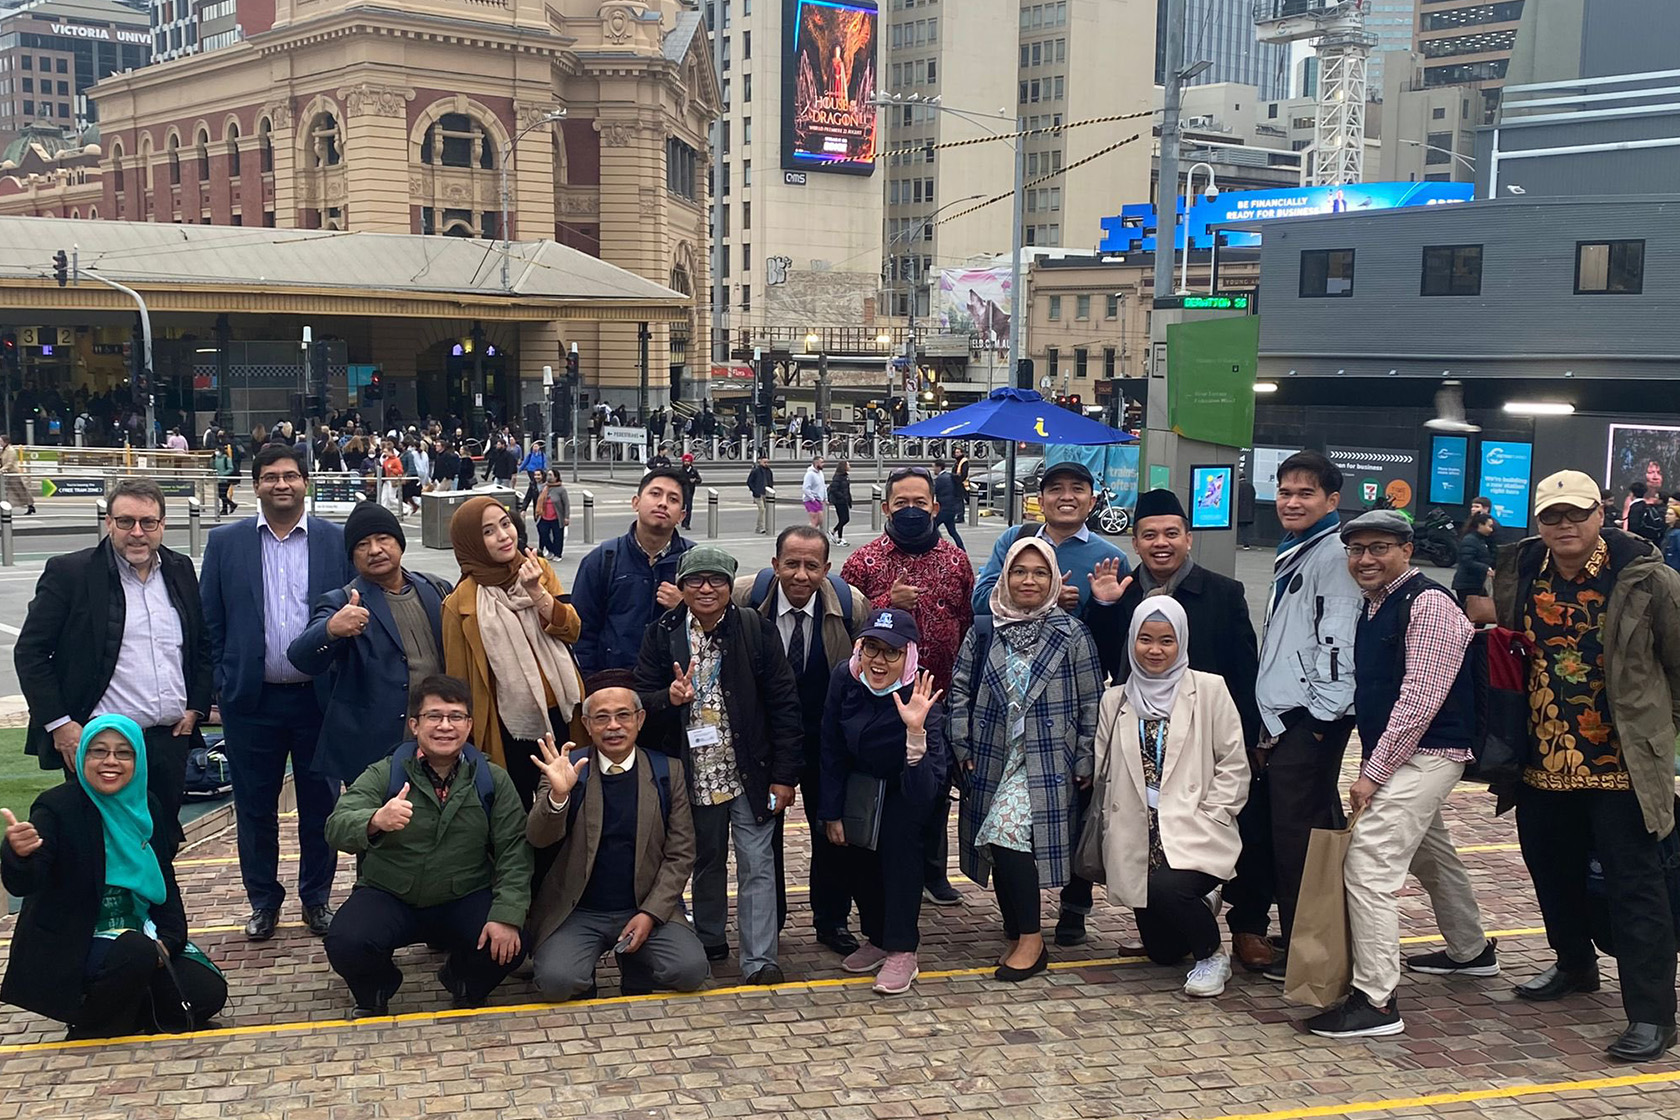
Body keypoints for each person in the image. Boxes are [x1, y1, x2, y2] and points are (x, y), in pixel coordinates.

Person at [1492, 469, 1680, 1063]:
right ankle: (1574, 966)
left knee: (1635, 884)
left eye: (1575, 513)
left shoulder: (1649, 579)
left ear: (1601, 513)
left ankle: (1653, 1014)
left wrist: (1662, 736)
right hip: (1542, 754)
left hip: (1621, 760)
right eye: (1552, 516)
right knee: (1551, 868)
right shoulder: (1521, 571)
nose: (1564, 525)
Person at [1305, 511, 1495, 1039]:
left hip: (1429, 753)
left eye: (1380, 547)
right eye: (1356, 548)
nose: (1366, 558)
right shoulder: (1379, 604)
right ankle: (1471, 950)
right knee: (1433, 855)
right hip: (1411, 752)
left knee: (1369, 864)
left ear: (1407, 550)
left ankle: (1376, 999)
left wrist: (1373, 772)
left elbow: (1422, 699)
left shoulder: (1428, 604)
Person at [1086, 488, 1269, 968]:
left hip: (1205, 742)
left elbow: (1244, 671)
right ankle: (1173, 925)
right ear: (1135, 540)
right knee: (1146, 849)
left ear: (1188, 538)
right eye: (1149, 535)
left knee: (1238, 837)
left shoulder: (1224, 592)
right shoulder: (1121, 594)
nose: (1160, 543)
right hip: (1143, 742)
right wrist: (1103, 609)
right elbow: (1108, 663)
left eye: (1171, 533)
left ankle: (1246, 928)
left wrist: (1251, 740)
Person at [632, 547, 803, 984]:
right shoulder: (662, 633)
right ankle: (710, 937)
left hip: (749, 768)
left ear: (730, 585)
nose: (705, 589)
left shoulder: (753, 630)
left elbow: (784, 704)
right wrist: (667, 700)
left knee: (757, 862)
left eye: (716, 580)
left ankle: (760, 960)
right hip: (694, 771)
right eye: (694, 580)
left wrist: (785, 776)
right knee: (706, 859)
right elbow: (640, 701)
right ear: (681, 586)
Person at [200, 444, 349, 941]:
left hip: (318, 699)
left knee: (320, 807)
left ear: (306, 482)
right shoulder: (225, 543)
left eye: (290, 476)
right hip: (252, 701)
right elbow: (211, 621)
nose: (280, 484)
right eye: (270, 477)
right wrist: (223, 682)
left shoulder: (335, 540)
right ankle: (263, 901)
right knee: (255, 808)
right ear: (255, 485)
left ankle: (317, 899)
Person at [0, 716, 228, 1039]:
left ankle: (129, 1007)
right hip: (76, 939)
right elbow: (27, 882)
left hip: (139, 928)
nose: (111, 762)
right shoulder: (57, 807)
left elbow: (164, 877)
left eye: (123, 753)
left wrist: (170, 938)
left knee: (205, 992)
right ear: (82, 758)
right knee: (135, 951)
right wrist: (18, 854)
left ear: (138, 759)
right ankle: (89, 1022)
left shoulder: (146, 806)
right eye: (98, 751)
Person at [322, 675, 531, 1017]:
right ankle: (377, 988)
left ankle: (463, 980)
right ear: (415, 725)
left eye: (455, 716)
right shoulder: (385, 772)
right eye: (434, 716)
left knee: (512, 941)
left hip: (464, 893)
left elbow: (514, 852)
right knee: (347, 942)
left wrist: (507, 916)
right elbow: (336, 826)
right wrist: (375, 820)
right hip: (391, 893)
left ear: (469, 725)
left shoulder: (492, 779)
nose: (445, 726)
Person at [15, 478, 212, 839]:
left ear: (162, 525)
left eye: (148, 522)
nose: (137, 532)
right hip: (103, 746)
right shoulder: (70, 574)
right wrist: (60, 725)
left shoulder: (179, 568)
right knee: (98, 856)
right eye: (125, 521)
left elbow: (200, 646)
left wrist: (195, 707)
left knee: (161, 847)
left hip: (167, 741)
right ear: (109, 523)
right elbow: (31, 653)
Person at [949, 537, 1103, 982]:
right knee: (998, 842)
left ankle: (1033, 942)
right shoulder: (984, 630)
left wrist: (1084, 758)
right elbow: (959, 691)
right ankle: (1017, 930)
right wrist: (963, 745)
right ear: (1005, 577)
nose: (1029, 580)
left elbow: (1091, 701)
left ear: (1053, 578)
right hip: (995, 754)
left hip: (1047, 759)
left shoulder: (1071, 633)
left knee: (1005, 832)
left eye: (1039, 572)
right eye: (1019, 571)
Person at [1093, 597, 1249, 998]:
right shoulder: (1117, 699)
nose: (1155, 650)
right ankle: (1196, 910)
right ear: (1132, 641)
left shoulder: (1209, 690)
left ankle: (1213, 956)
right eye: (1145, 639)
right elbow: (1103, 771)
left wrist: (1215, 815)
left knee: (1168, 889)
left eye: (1166, 640)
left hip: (1194, 824)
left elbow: (1233, 763)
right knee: (1163, 953)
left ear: (1182, 642)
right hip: (1138, 828)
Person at [524, 674, 708, 1000]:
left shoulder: (668, 771)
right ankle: (582, 968)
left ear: (639, 720)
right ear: (587, 724)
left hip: (645, 904)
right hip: (578, 909)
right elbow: (538, 838)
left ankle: (636, 959)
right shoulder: (566, 769)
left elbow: (681, 854)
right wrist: (558, 795)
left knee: (689, 971)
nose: (613, 726)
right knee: (558, 982)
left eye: (623, 715)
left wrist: (651, 914)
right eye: (602, 717)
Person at [733, 526, 871, 953]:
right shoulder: (744, 600)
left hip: (824, 741)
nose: (801, 574)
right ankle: (767, 924)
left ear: (827, 569)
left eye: (812, 566)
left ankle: (831, 921)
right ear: (774, 565)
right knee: (764, 834)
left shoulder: (851, 606)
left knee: (830, 830)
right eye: (791, 563)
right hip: (764, 743)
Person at [842, 467, 975, 906]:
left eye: (921, 502)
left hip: (937, 695)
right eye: (902, 503)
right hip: (877, 697)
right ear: (886, 508)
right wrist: (884, 603)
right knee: (882, 784)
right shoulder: (864, 561)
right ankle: (879, 868)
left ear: (936, 507)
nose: (912, 510)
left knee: (934, 787)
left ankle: (933, 871)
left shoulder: (956, 561)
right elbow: (840, 620)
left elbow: (968, 622)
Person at [1253, 450, 1361, 982]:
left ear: (1332, 501)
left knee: (1304, 836)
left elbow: (1338, 644)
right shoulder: (1298, 548)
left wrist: (1318, 719)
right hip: (1290, 717)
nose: (1292, 502)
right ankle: (1306, 934)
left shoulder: (1332, 554)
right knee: (1299, 831)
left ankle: (1312, 948)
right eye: (1285, 492)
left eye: (1306, 493)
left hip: (1311, 719)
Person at [820, 609, 948, 994]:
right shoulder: (845, 677)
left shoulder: (923, 695)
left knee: (899, 862)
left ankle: (902, 949)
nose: (878, 661)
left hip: (907, 788)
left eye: (891, 652)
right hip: (861, 784)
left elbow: (929, 786)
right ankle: (876, 937)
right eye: (871, 648)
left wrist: (915, 732)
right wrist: (832, 809)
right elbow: (830, 744)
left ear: (907, 656)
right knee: (858, 859)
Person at [287, 502, 451, 786]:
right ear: (352, 556)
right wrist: (331, 629)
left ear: (399, 544)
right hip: (374, 753)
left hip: (441, 738)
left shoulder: (437, 588)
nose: (375, 550)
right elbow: (301, 656)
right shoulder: (341, 601)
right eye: (362, 544)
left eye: (383, 539)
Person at [442, 496, 585, 808]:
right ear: (471, 543)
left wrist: (536, 591)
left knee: (569, 802)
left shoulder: (538, 569)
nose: (504, 536)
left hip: (561, 711)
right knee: (515, 808)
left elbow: (572, 629)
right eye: (488, 531)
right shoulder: (460, 605)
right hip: (507, 726)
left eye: (506, 524)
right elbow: (459, 680)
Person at [972, 462, 1132, 648]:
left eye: (1077, 489)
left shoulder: (1112, 559)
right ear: (1041, 502)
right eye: (1056, 489)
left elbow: (1121, 636)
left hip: (1077, 667)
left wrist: (1103, 605)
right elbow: (980, 601)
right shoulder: (1014, 540)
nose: (1066, 497)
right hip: (1009, 661)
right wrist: (1048, 598)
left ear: (1091, 502)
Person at [571, 468, 693, 675]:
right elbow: (581, 633)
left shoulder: (695, 561)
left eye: (673, 499)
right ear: (635, 502)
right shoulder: (601, 560)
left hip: (677, 687)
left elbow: (722, 627)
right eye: (655, 494)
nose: (663, 503)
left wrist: (686, 607)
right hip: (617, 687)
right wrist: (595, 685)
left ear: (681, 515)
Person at [1453, 511, 1497, 612]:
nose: (1491, 529)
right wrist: (1486, 568)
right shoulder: (1470, 540)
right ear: (1480, 525)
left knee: (1480, 613)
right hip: (1467, 584)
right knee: (1471, 613)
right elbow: (1467, 561)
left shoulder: (1483, 540)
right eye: (1489, 526)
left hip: (1476, 583)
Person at [932, 459, 965, 550]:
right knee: (952, 532)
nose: (933, 469)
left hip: (943, 509)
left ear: (939, 467)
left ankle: (940, 546)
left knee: (932, 527)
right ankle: (962, 548)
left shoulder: (940, 479)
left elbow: (933, 491)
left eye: (934, 467)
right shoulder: (950, 476)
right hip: (951, 509)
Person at [537, 470, 569, 559]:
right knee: (543, 533)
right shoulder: (544, 487)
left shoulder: (561, 489)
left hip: (556, 517)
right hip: (544, 516)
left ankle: (557, 554)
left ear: (556, 477)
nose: (549, 477)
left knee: (558, 536)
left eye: (551, 475)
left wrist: (566, 517)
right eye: (548, 475)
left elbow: (566, 504)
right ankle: (551, 550)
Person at [0, 433, 35, 514]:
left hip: (12, 473)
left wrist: (2, 469)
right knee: (8, 491)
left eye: (1, 441)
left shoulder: (11, 450)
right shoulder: (4, 450)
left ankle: (30, 505)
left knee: (20, 490)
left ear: (5, 442)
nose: (0, 443)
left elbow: (10, 463)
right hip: (6, 474)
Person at [1626, 481, 1668, 545]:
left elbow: (1633, 528)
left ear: (1632, 493)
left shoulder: (1636, 507)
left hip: (1638, 541)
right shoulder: (1646, 506)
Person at [748, 453, 775, 535]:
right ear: (760, 462)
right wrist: (755, 491)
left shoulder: (769, 471)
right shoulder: (756, 471)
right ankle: (759, 527)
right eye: (764, 462)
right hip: (758, 493)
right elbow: (749, 482)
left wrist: (771, 490)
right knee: (762, 509)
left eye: (767, 462)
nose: (766, 464)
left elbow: (770, 482)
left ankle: (767, 526)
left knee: (767, 510)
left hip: (766, 493)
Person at [830, 459, 854, 547]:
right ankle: (838, 536)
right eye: (848, 465)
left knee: (844, 519)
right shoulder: (838, 477)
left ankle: (836, 533)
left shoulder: (845, 476)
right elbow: (834, 489)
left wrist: (849, 499)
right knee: (844, 519)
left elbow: (847, 490)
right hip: (839, 502)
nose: (849, 467)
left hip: (844, 501)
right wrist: (842, 497)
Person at [519, 440, 548, 513]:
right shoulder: (530, 454)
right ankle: (535, 489)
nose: (535, 448)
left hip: (540, 470)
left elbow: (544, 462)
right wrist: (520, 469)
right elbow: (525, 462)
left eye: (536, 446)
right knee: (534, 482)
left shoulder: (542, 455)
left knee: (538, 482)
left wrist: (544, 469)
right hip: (531, 470)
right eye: (534, 446)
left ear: (539, 447)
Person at [214, 437, 239, 515]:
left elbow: (231, 468)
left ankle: (231, 505)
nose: (216, 452)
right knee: (221, 494)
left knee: (222, 494)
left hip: (226, 479)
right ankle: (225, 509)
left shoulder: (226, 459)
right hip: (219, 479)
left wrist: (223, 474)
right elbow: (214, 466)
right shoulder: (216, 459)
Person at [802, 454, 828, 531]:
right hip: (811, 500)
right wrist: (812, 499)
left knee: (820, 520)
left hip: (819, 499)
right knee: (814, 520)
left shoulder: (820, 473)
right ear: (816, 463)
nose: (823, 464)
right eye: (821, 462)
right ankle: (808, 535)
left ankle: (810, 532)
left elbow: (823, 486)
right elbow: (806, 488)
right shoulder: (810, 474)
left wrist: (825, 498)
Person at [678, 454, 703, 531]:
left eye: (688, 461)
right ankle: (681, 521)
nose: (686, 463)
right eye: (685, 461)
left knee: (689, 507)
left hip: (690, 491)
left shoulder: (694, 471)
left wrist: (695, 480)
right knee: (681, 507)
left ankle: (687, 523)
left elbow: (699, 480)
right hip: (682, 491)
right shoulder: (680, 471)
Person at [1236, 471, 1257, 549]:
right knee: (1244, 529)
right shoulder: (1250, 487)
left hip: (1238, 511)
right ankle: (1246, 544)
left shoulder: (1237, 487)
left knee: (1233, 529)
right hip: (1248, 512)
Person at [952, 445, 972, 524]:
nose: (956, 454)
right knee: (958, 501)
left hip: (962, 484)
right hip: (958, 483)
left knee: (959, 501)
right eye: (955, 452)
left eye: (958, 452)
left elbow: (964, 474)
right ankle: (959, 515)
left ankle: (960, 516)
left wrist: (958, 480)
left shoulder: (964, 461)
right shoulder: (958, 461)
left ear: (961, 453)